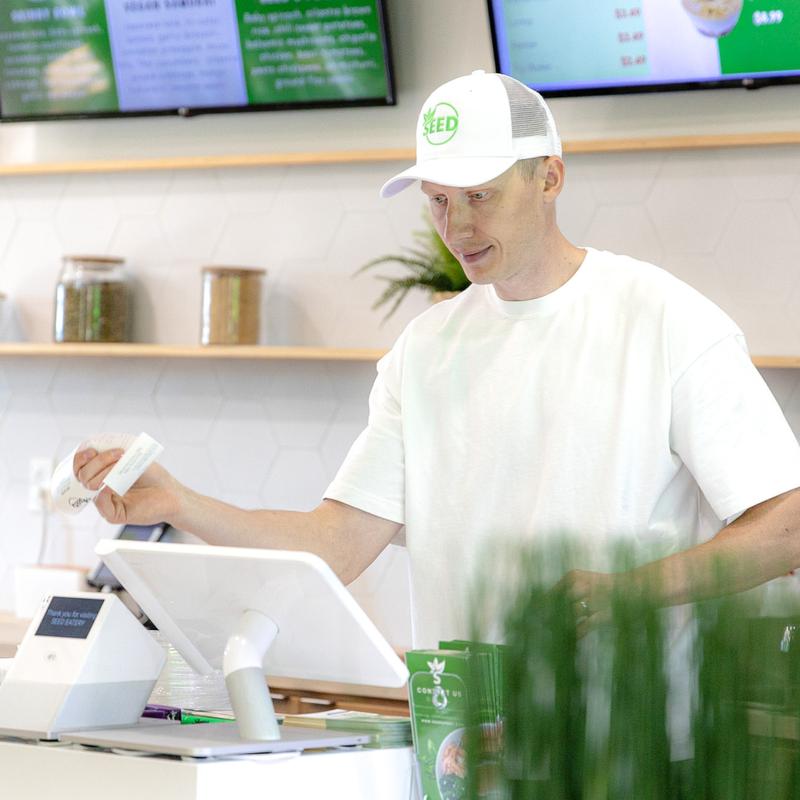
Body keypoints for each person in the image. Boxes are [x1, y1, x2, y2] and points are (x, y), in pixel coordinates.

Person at [75, 70, 800, 654]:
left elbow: (786, 525)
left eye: (480, 196)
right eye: (439, 202)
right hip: (464, 744)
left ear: (550, 177)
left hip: (629, 752)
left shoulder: (666, 320)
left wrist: (627, 592)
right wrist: (181, 504)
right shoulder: (423, 351)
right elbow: (335, 546)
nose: (458, 227)